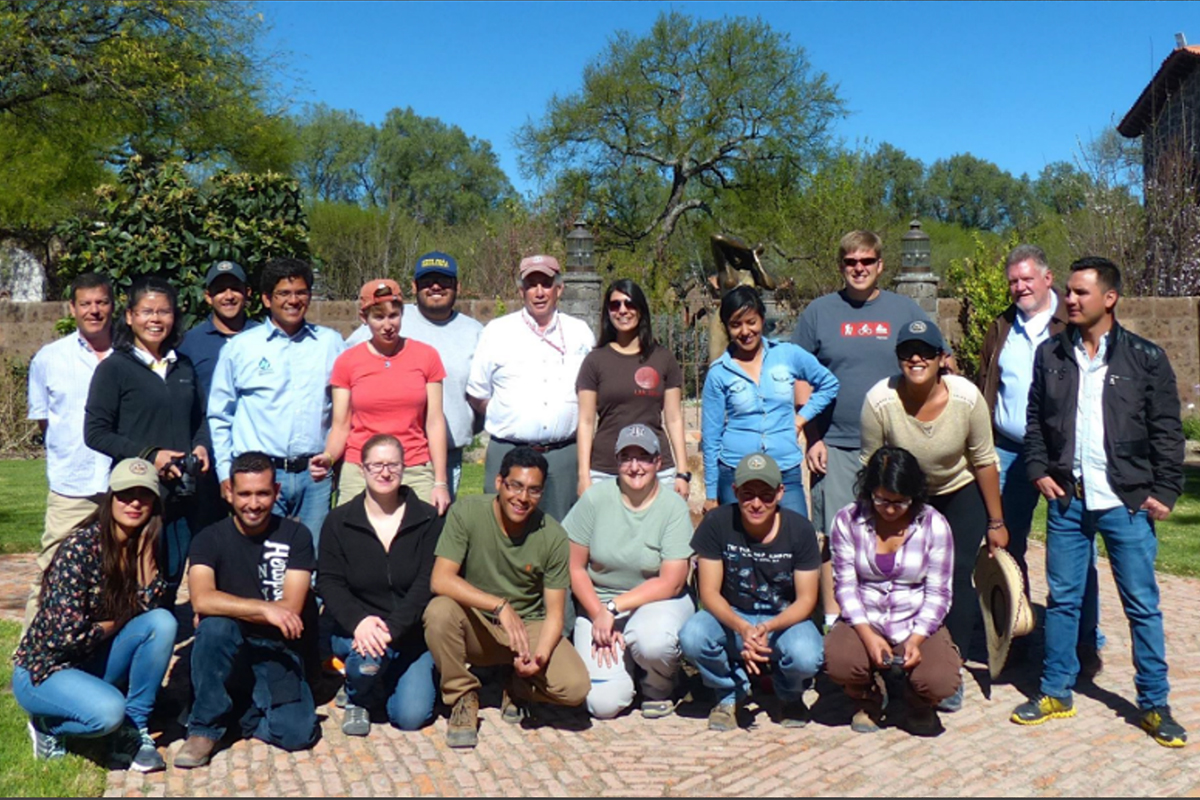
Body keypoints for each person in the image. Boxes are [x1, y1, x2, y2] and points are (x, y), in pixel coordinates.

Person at [1013, 257, 1187, 748]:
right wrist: (1038, 470)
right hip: (1068, 500)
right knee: (1064, 601)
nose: (1069, 299)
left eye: (1080, 293)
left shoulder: (1144, 358)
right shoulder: (1051, 355)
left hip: (1126, 502)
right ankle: (1056, 691)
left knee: (1142, 606)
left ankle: (1154, 704)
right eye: (1067, 291)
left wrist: (1167, 490)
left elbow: (1167, 431)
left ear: (1108, 298)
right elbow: (1035, 425)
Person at [860, 319, 1008, 712]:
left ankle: (951, 663)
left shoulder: (966, 398)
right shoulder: (880, 401)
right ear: (898, 358)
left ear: (942, 358)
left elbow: (984, 460)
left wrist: (996, 522)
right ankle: (894, 658)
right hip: (906, 497)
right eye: (907, 351)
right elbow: (872, 465)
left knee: (956, 575)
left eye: (925, 351)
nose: (916, 358)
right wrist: (869, 517)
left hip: (959, 491)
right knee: (902, 574)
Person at [791, 230, 933, 630]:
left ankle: (898, 617)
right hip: (834, 442)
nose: (859, 269)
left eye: (866, 261)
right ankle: (835, 625)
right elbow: (800, 378)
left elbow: (938, 363)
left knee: (898, 531)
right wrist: (812, 436)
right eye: (851, 262)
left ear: (880, 265)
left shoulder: (905, 311)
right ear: (841, 266)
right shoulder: (819, 313)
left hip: (895, 445)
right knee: (836, 537)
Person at [977, 244, 1103, 673]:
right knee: (1006, 544)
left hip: (1062, 455)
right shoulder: (1001, 327)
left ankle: (1085, 641)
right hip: (1008, 452)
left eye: (1027, 279)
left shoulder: (1071, 325)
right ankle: (1018, 631)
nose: (1020, 287)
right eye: (1013, 280)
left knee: (1074, 551)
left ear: (1048, 279)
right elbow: (987, 384)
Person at [13, 458, 176, 772]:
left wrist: (145, 565)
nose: (134, 503)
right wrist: (120, 618)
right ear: (110, 498)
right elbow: (67, 636)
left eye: (144, 495)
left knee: (163, 623)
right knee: (107, 714)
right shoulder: (80, 548)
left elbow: (150, 611)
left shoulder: (146, 545)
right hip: (46, 670)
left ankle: (134, 729)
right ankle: (48, 726)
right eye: (126, 494)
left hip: (92, 659)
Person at [423, 446, 589, 749]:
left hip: (526, 630)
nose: (523, 498)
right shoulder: (467, 512)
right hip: (477, 626)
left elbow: (554, 614)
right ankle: (462, 696)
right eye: (515, 486)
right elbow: (440, 579)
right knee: (439, 611)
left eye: (534, 490)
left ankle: (518, 684)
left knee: (575, 687)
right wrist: (498, 605)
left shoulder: (552, 535)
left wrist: (538, 659)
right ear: (499, 482)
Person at [175, 452, 320, 768]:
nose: (253, 504)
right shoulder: (208, 539)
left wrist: (230, 606)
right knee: (215, 627)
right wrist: (265, 610)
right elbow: (201, 599)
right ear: (228, 491)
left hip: (276, 650)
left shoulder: (296, 536)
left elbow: (292, 608)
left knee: (298, 734)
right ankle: (205, 727)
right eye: (244, 494)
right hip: (227, 651)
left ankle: (237, 713)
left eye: (263, 493)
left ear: (277, 492)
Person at [679, 453, 824, 731]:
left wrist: (768, 627)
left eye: (766, 495)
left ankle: (789, 693)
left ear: (780, 493)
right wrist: (742, 627)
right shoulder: (718, 523)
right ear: (735, 492)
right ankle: (728, 692)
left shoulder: (800, 529)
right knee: (693, 636)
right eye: (747, 494)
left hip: (784, 619)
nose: (756, 503)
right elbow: (708, 594)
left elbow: (807, 599)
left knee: (807, 655)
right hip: (732, 616)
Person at [84, 276, 210, 594]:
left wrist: (202, 447)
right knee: (131, 587)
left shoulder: (183, 367)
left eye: (164, 312)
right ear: (129, 316)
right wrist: (150, 455)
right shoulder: (114, 369)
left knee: (168, 582)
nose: (155, 319)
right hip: (136, 500)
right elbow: (96, 433)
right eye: (146, 311)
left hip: (180, 499)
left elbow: (201, 419)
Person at [208, 257, 345, 545]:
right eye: (284, 293)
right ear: (267, 299)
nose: (293, 300)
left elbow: (342, 412)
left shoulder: (331, 344)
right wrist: (225, 472)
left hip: (314, 475)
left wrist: (334, 460)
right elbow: (220, 416)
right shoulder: (241, 347)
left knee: (313, 558)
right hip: (258, 476)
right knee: (261, 559)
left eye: (301, 292)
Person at [826, 446, 960, 735]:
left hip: (914, 617)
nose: (889, 509)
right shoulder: (847, 520)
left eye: (900, 502)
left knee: (940, 680)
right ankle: (866, 697)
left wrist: (916, 639)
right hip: (865, 615)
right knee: (840, 661)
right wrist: (868, 635)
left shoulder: (934, 524)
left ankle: (918, 701)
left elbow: (939, 593)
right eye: (881, 500)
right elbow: (845, 586)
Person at [565, 424, 694, 719]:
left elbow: (671, 582)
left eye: (644, 457)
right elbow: (575, 566)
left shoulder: (673, 507)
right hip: (597, 604)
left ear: (658, 462)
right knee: (604, 705)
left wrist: (613, 608)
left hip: (656, 605)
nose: (635, 467)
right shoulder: (595, 499)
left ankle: (659, 685)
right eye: (626, 458)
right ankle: (627, 669)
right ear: (616, 462)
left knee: (654, 640)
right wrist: (599, 613)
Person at [317, 434, 443, 736]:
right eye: (376, 465)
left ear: (404, 468)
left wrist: (392, 629)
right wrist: (359, 622)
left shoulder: (427, 520)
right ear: (362, 470)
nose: (385, 473)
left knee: (410, 717)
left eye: (392, 465)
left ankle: (377, 679)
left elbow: (427, 582)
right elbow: (329, 582)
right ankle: (358, 695)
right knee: (367, 658)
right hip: (356, 632)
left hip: (407, 635)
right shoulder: (338, 522)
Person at [467, 255, 595, 523]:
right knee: (502, 533)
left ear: (559, 289)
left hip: (563, 456)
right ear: (521, 290)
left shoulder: (579, 332)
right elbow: (478, 394)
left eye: (546, 284)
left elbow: (591, 393)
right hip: (509, 451)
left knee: (562, 536)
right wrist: (511, 417)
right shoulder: (497, 331)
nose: (539, 292)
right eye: (531, 284)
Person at [346, 253, 482, 499]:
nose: (436, 286)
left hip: (448, 454)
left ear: (457, 286)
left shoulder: (475, 331)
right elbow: (348, 369)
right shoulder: (392, 318)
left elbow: (482, 390)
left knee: (431, 530)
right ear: (414, 286)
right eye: (428, 281)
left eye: (444, 280)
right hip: (388, 455)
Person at [309, 279, 450, 513]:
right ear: (364, 319)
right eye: (379, 317)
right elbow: (341, 425)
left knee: (422, 541)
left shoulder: (427, 356)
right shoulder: (347, 362)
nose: (388, 325)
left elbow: (434, 422)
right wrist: (329, 456)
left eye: (394, 315)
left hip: (413, 466)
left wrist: (440, 482)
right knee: (353, 539)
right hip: (361, 468)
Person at [23, 272, 114, 627]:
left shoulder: (129, 357)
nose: (94, 311)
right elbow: (46, 422)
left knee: (114, 576)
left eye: (101, 302)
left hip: (121, 487)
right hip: (70, 485)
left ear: (113, 306)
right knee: (50, 571)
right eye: (86, 303)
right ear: (72, 308)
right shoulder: (50, 358)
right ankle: (28, 659)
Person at [701, 285, 838, 518]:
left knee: (796, 538)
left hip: (784, 468)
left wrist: (800, 420)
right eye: (736, 325)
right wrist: (711, 495)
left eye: (751, 322)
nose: (745, 331)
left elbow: (829, 384)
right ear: (727, 328)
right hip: (735, 472)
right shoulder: (719, 373)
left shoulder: (787, 355)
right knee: (739, 548)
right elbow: (711, 438)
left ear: (762, 320)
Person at [576, 279, 690, 499]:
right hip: (606, 470)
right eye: (615, 305)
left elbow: (674, 418)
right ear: (608, 312)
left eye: (629, 304)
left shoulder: (663, 358)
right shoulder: (594, 361)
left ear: (641, 309)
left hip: (657, 470)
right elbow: (586, 421)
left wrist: (682, 472)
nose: (622, 310)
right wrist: (584, 476)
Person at [177, 260, 260, 407]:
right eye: (220, 290)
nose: (229, 296)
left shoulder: (264, 338)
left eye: (235, 289)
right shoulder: (189, 343)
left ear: (247, 293)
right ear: (208, 297)